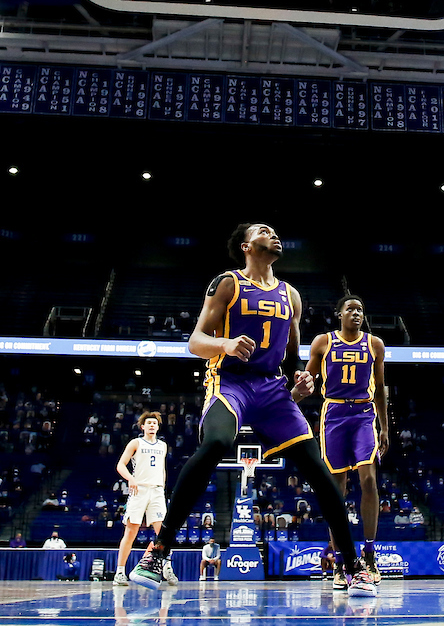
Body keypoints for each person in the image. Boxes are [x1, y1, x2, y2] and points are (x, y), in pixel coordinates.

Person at [129, 223, 375, 596]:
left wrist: (300, 379)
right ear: (246, 246)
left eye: (276, 232)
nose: (275, 235)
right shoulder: (227, 283)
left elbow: (293, 353)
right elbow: (195, 341)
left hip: (272, 389)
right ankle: (158, 550)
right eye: (265, 231)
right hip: (230, 381)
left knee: (321, 473)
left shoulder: (290, 295)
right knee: (214, 444)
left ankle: (352, 566)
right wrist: (225, 344)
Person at [306, 294, 389, 586]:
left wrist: (385, 427)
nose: (356, 313)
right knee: (335, 489)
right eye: (351, 309)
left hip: (365, 414)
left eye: (360, 309)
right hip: (334, 413)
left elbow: (380, 389)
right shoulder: (323, 342)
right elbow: (307, 381)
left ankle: (369, 553)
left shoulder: (374, 344)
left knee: (368, 480)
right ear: (338, 314)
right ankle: (340, 561)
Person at [113, 411, 176, 586]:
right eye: (148, 423)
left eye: (154, 423)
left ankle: (166, 568)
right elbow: (120, 464)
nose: (151, 425)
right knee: (131, 531)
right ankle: (119, 572)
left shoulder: (163, 445)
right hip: (139, 489)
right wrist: (131, 479)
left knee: (162, 533)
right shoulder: (136, 442)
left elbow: (162, 469)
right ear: (142, 427)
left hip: (156, 491)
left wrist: (162, 487)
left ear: (157, 427)